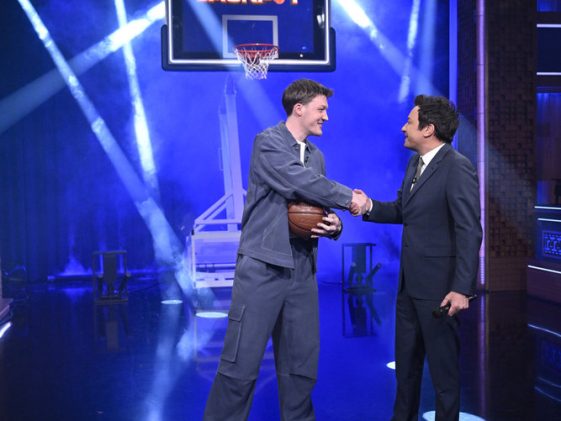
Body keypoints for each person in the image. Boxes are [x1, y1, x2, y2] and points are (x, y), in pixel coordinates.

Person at [203, 79, 368, 421]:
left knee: (300, 368)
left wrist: (335, 225)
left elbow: (316, 202)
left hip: (302, 270)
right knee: (240, 365)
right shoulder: (268, 142)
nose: (326, 116)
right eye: (321, 109)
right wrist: (350, 198)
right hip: (262, 267)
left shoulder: (317, 157)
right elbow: (299, 181)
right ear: (299, 108)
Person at [355, 95, 482, 421]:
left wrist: (462, 288)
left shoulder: (456, 167)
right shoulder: (415, 165)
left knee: (444, 377)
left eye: (410, 122)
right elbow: (403, 210)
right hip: (408, 289)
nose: (403, 128)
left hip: (440, 292)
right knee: (406, 373)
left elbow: (470, 230)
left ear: (428, 129)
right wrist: (369, 206)